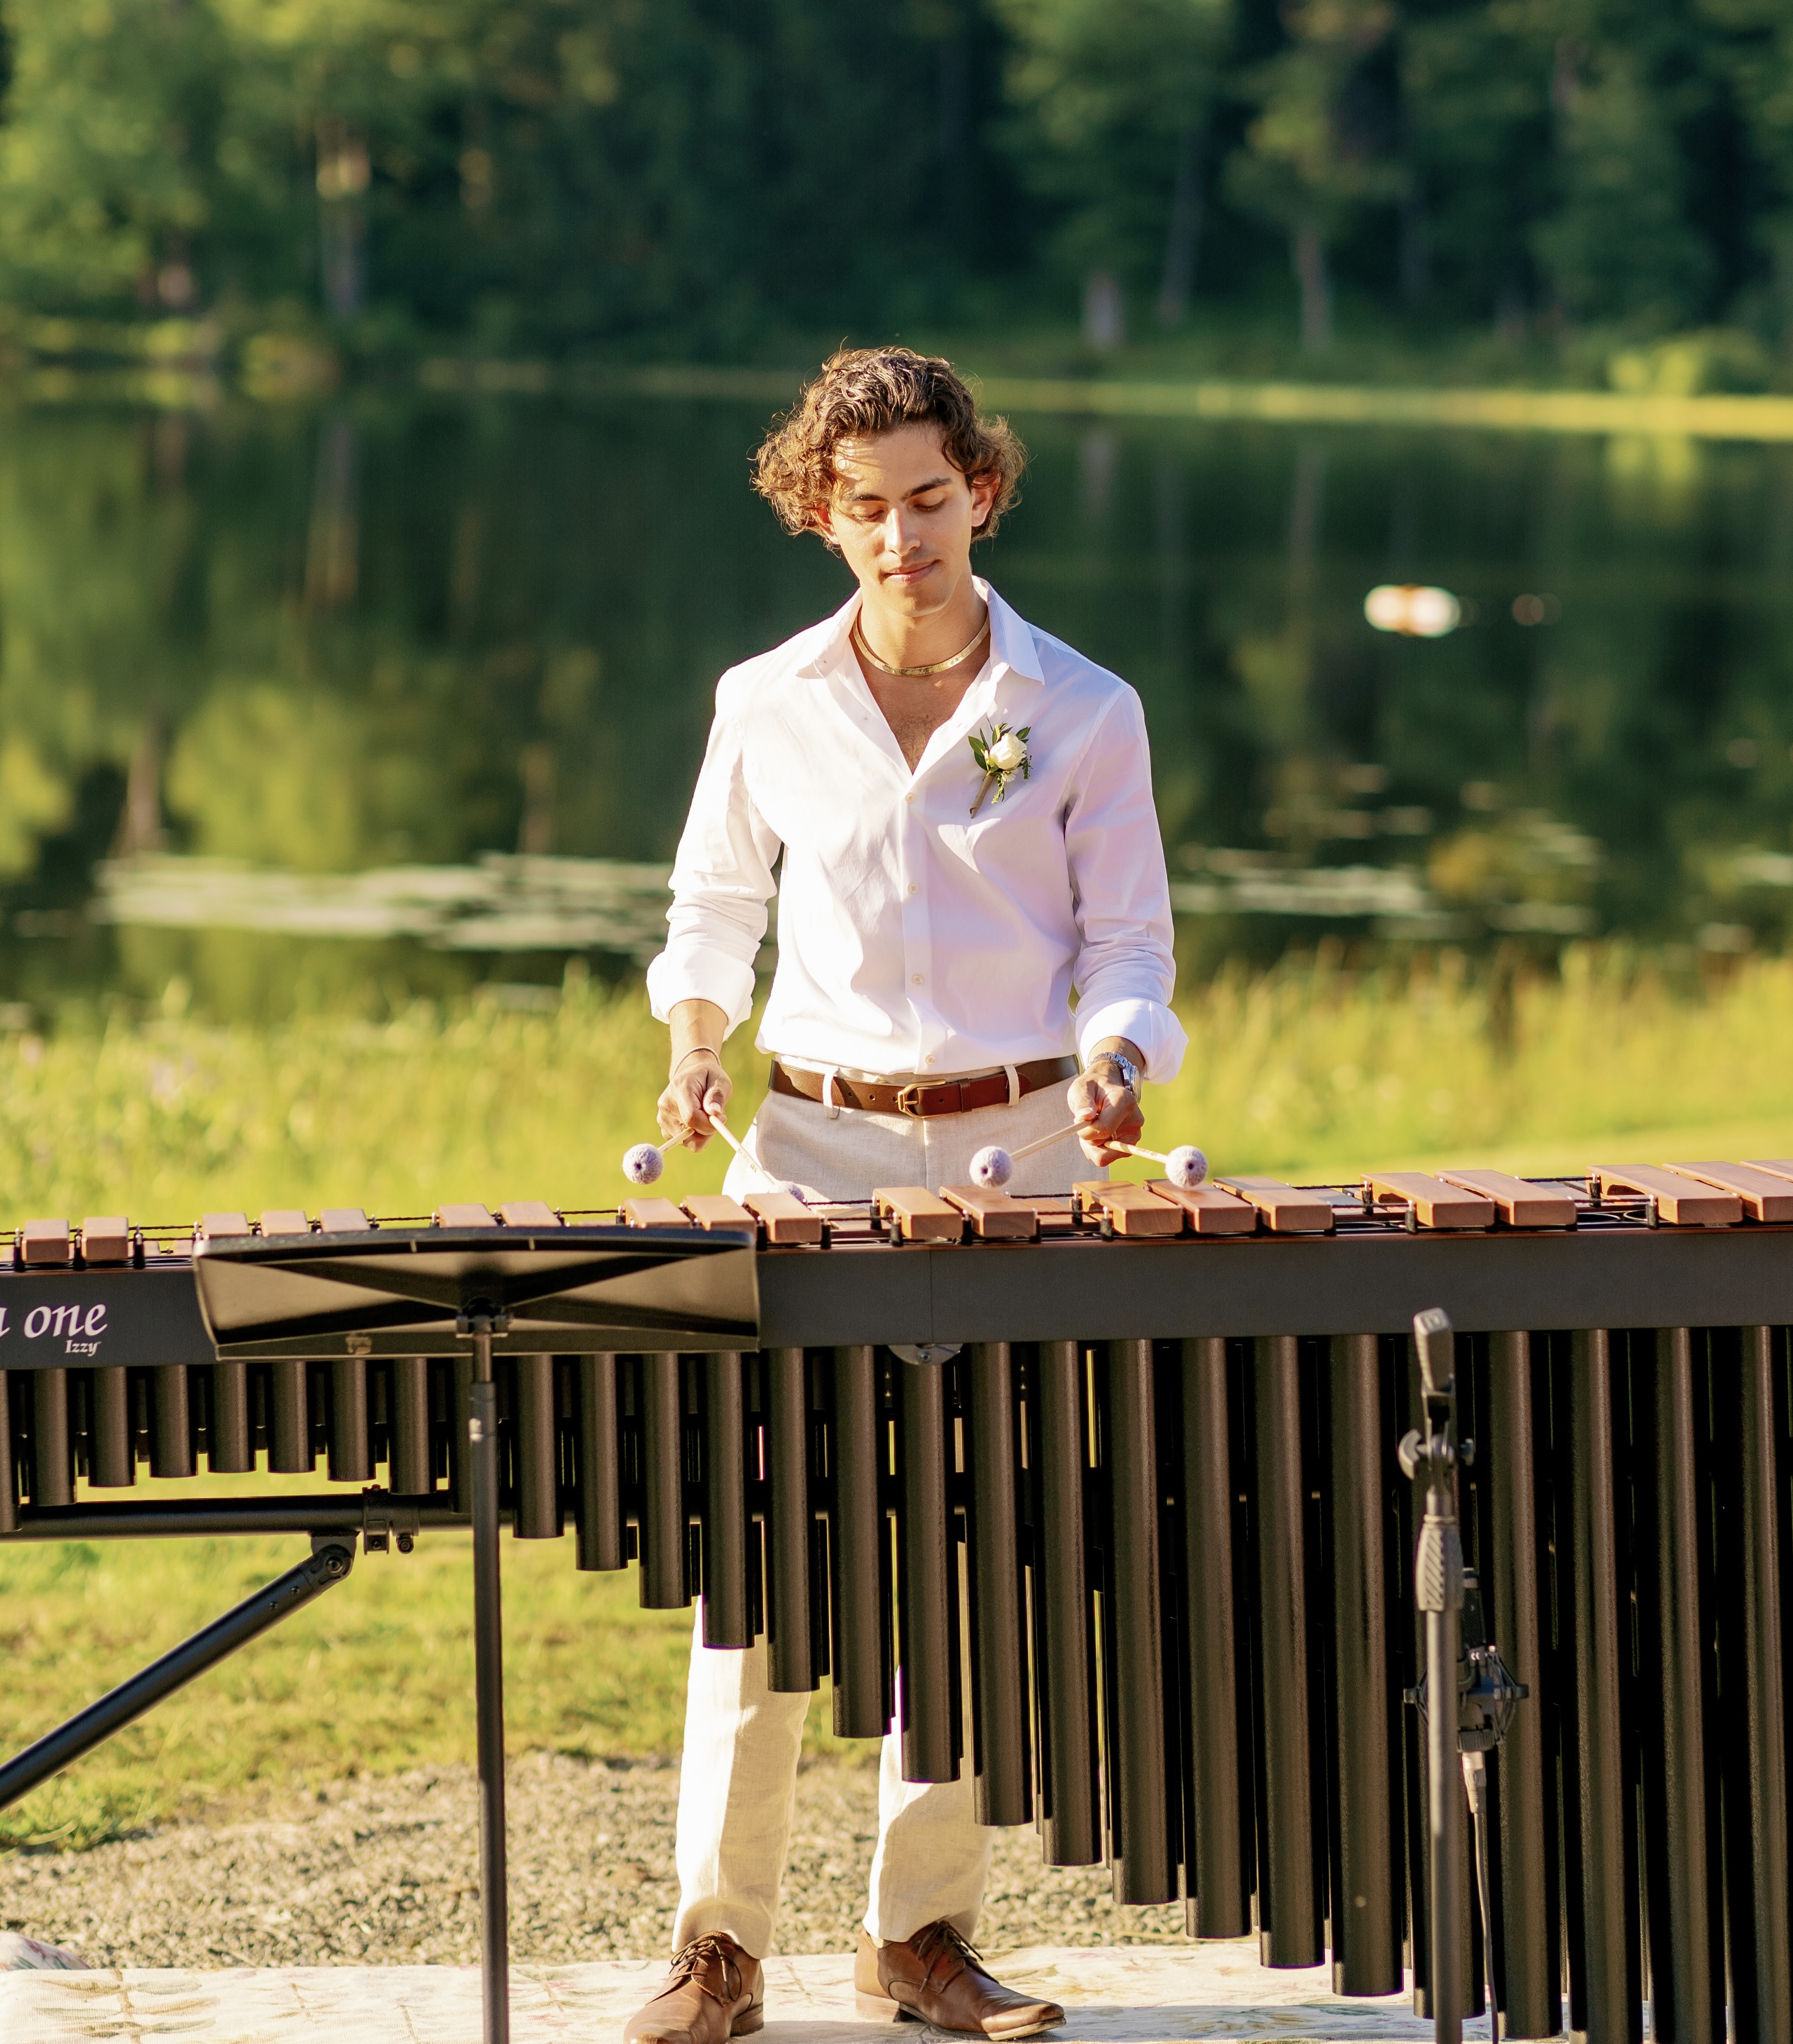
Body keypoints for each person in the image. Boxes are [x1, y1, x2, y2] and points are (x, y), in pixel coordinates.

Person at [625, 347, 1186, 2044]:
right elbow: (712, 907)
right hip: (806, 1153)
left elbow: (1130, 945)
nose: (899, 539)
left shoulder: (1085, 708)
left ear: (982, 491)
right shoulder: (763, 700)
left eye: (927, 501)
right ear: (821, 513)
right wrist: (698, 1039)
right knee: (761, 1558)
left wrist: (1113, 1057)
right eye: (863, 509)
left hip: (1012, 1159)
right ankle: (717, 1946)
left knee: (970, 1553)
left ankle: (922, 1934)